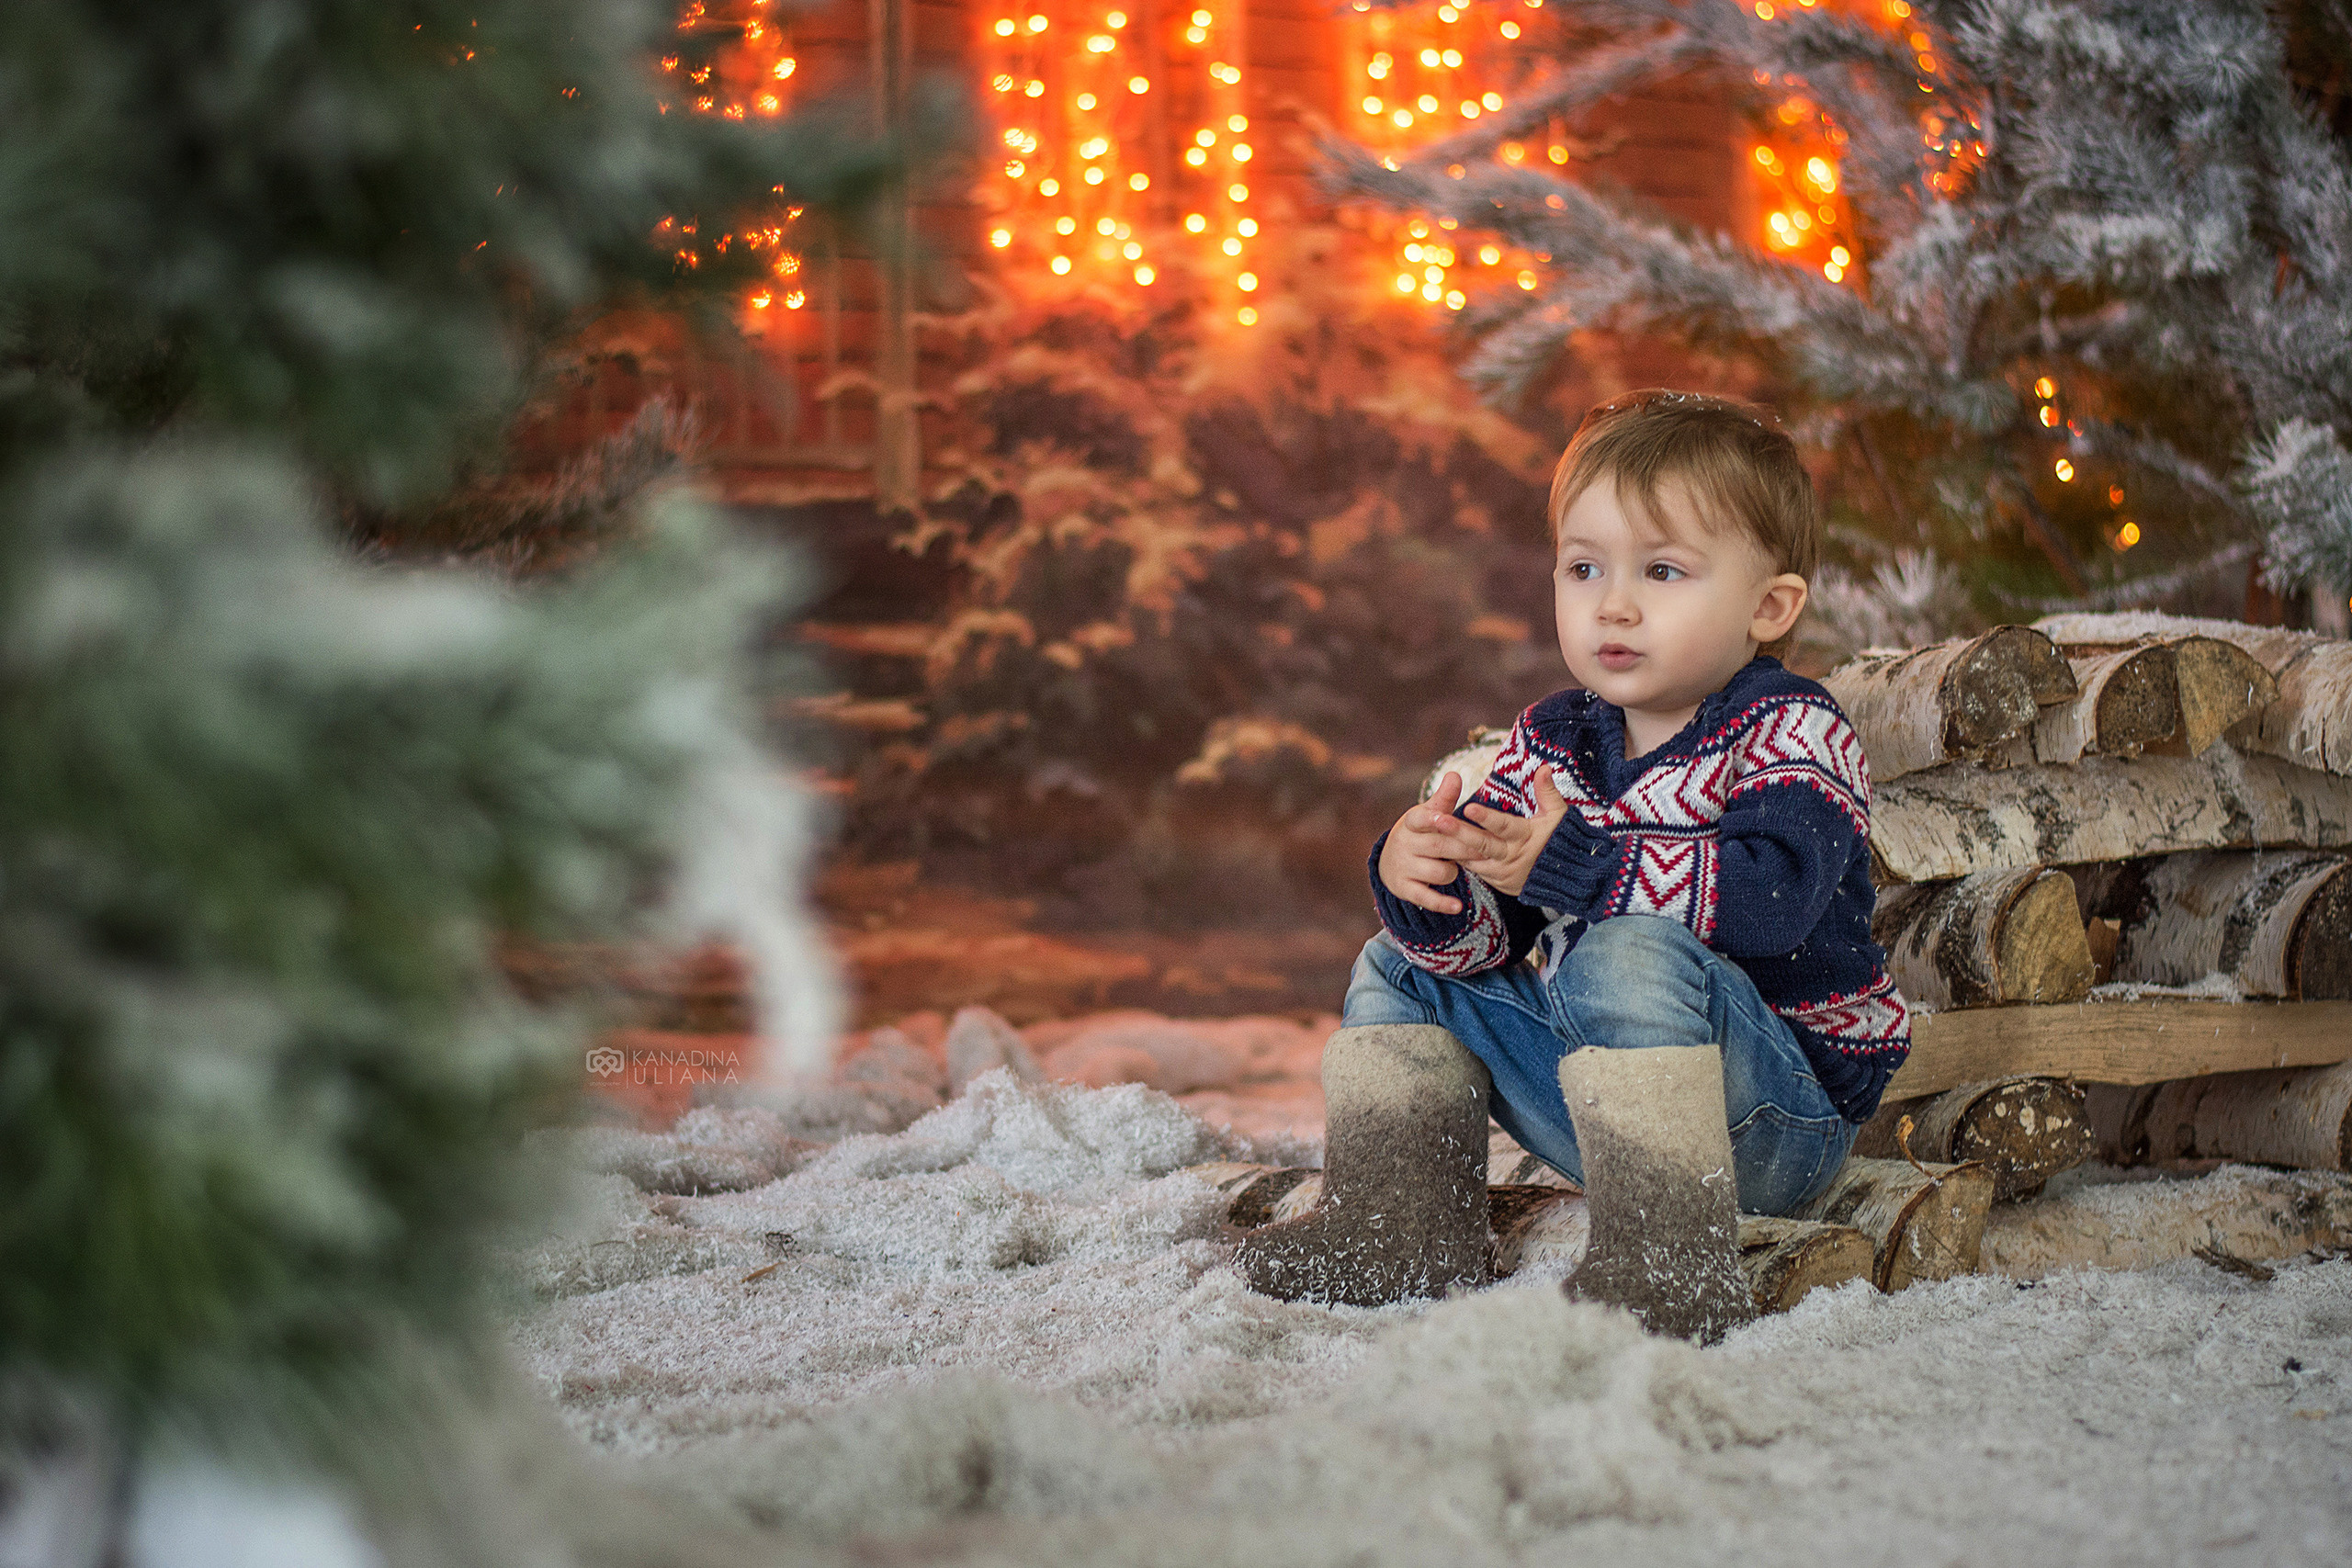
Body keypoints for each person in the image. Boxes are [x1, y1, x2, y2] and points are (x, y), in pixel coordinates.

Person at [1237, 389, 1910, 1341]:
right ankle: (1399, 1225)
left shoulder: (1791, 731)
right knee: (1393, 964)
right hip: (1603, 1111)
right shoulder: (1555, 738)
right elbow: (1490, 944)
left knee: (1622, 950)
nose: (1614, 604)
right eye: (1583, 567)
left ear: (1769, 606)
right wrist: (1428, 879)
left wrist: (1579, 868)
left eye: (1664, 570)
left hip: (1771, 1121)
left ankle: (1671, 1259)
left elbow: (1773, 904)